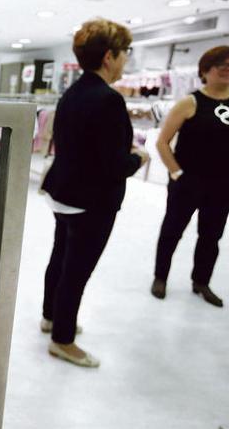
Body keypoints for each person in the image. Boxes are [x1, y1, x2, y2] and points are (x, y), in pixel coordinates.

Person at [41, 19, 149, 367]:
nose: (124, 61)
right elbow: (114, 164)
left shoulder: (73, 92)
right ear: (108, 57)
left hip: (64, 189)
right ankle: (62, 340)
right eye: (124, 54)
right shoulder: (108, 99)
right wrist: (138, 157)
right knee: (77, 269)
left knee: (61, 256)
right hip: (91, 198)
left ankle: (51, 317)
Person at [151, 46, 229, 307]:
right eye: (222, 65)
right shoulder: (190, 102)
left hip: (226, 181)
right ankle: (160, 277)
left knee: (212, 234)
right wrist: (176, 172)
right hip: (189, 180)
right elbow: (163, 142)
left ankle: (201, 281)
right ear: (206, 70)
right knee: (172, 230)